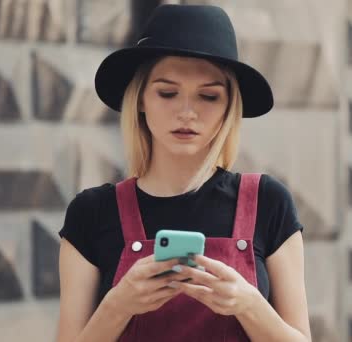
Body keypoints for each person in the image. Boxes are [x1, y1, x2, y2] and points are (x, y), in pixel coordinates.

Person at [56, 4, 311, 342]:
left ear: (228, 107)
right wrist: (118, 304)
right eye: (167, 92)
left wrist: (248, 304)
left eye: (208, 96)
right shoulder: (91, 213)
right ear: (141, 99)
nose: (187, 112)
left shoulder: (268, 203)